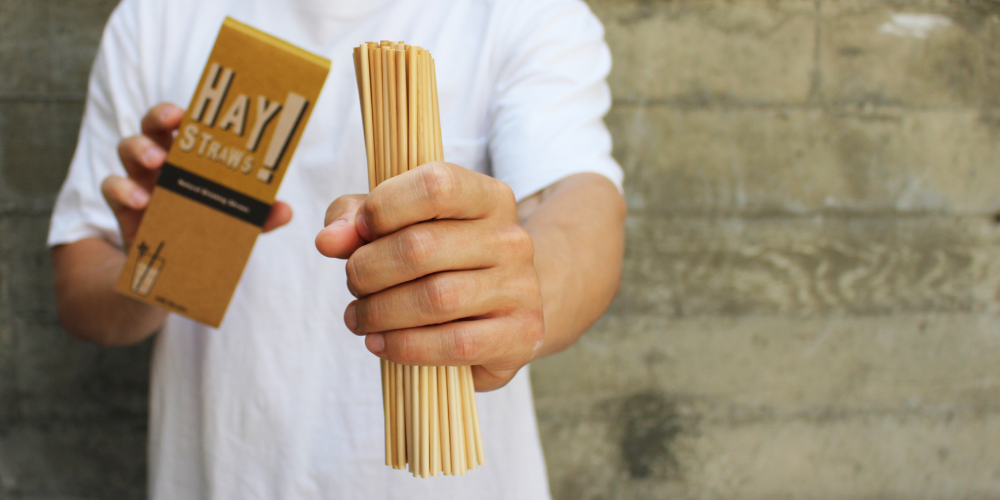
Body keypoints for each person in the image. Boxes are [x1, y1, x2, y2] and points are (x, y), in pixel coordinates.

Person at [48, 0, 625, 498]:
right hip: (223, 475)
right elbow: (81, 297)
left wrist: (522, 292)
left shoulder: (517, 12)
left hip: (450, 481)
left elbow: (582, 209)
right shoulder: (158, 18)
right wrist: (167, 261)